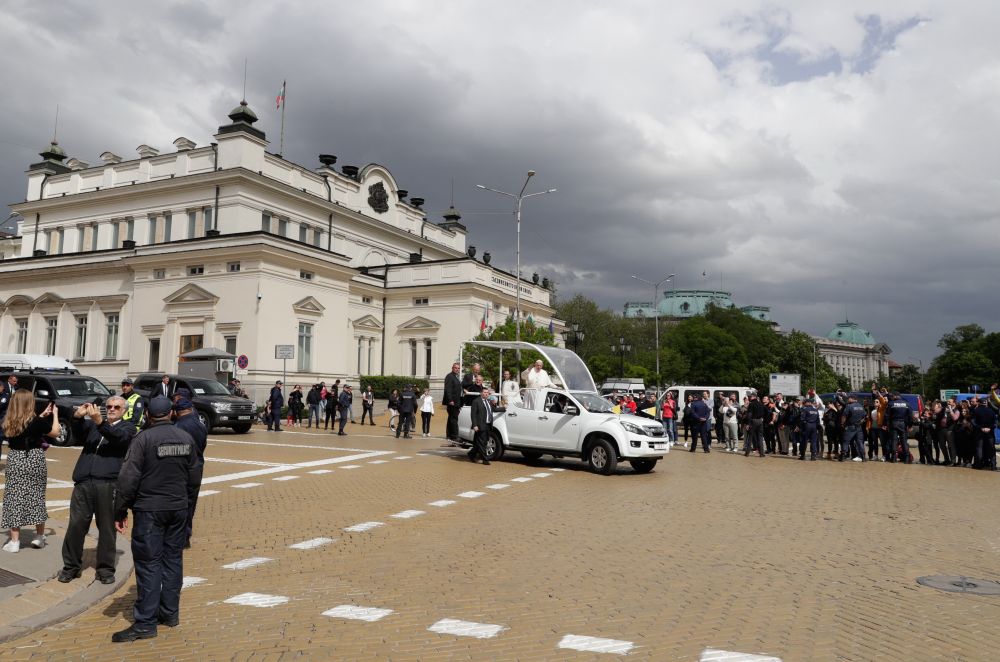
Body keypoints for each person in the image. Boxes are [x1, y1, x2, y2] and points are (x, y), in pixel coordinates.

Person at [112, 396, 201, 642]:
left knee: (149, 564)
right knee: (173, 561)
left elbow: (127, 479)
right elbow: (194, 479)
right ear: (171, 413)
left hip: (150, 511)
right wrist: (187, 509)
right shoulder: (186, 439)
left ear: (149, 416)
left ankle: (145, 623)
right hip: (178, 509)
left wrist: (120, 511)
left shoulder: (143, 439)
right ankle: (170, 614)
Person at [59, 397, 135, 583]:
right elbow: (77, 434)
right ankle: (71, 567)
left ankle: (105, 570)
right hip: (84, 483)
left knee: (107, 529)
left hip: (108, 485)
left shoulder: (128, 428)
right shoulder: (94, 426)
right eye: (108, 406)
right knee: (76, 526)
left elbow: (118, 439)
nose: (111, 409)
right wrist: (77, 417)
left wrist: (100, 423)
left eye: (116, 407)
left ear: (123, 410)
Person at [2, 391, 60, 553]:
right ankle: (39, 537)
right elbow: (55, 432)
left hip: (15, 459)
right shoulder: (37, 422)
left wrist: (42, 415)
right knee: (36, 495)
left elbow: (26, 427)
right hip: (34, 459)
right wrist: (54, 415)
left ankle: (14, 542)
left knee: (14, 497)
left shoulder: (9, 421)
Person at [172, 396, 207, 548]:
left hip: (181, 469)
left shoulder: (178, 427)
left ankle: (178, 536)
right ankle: (186, 534)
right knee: (191, 503)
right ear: (191, 409)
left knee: (179, 503)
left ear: (177, 412)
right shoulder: (200, 424)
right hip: (197, 467)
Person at [469, 386, 494, 465]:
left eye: (487, 393)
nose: (486, 394)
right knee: (482, 443)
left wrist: (504, 408)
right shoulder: (476, 401)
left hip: (488, 425)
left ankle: (471, 454)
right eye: (484, 392)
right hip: (480, 425)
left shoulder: (489, 402)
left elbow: (494, 409)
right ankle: (485, 459)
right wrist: (475, 425)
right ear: (481, 393)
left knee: (479, 443)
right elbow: (473, 414)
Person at [971, 396, 998, 470]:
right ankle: (993, 465)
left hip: (979, 432)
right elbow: (995, 423)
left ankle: (978, 465)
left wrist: (981, 428)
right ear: (985, 403)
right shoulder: (991, 411)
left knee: (979, 448)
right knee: (992, 449)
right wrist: (989, 428)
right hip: (990, 432)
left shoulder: (975, 411)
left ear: (979, 403)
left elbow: (973, 422)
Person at [886, 392, 912, 464]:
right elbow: (910, 416)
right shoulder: (907, 404)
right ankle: (906, 458)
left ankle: (893, 458)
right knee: (904, 441)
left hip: (894, 423)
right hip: (903, 424)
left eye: (893, 396)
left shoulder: (891, 404)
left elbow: (887, 415)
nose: (892, 397)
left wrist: (887, 425)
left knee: (894, 441)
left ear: (895, 396)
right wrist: (910, 426)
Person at [840, 394, 867, 462]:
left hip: (850, 427)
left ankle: (843, 456)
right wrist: (860, 422)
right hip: (859, 427)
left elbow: (844, 416)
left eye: (848, 398)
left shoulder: (849, 406)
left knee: (845, 441)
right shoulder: (861, 406)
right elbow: (865, 417)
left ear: (852, 399)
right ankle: (863, 457)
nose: (848, 400)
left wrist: (842, 424)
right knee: (860, 442)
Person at [443, 362, 463, 442]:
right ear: (452, 368)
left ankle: (449, 435)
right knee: (454, 419)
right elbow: (448, 389)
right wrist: (450, 400)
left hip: (456, 401)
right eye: (456, 368)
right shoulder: (449, 376)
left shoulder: (456, 377)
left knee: (451, 418)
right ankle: (455, 436)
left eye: (458, 368)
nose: (457, 369)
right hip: (452, 402)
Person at [745, 391, 767, 458]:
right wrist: (763, 418)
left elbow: (749, 415)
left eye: (750, 396)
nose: (749, 397)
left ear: (754, 397)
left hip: (753, 421)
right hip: (760, 421)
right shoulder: (761, 404)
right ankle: (762, 453)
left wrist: (748, 424)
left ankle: (747, 453)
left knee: (750, 437)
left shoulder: (751, 404)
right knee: (760, 437)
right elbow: (767, 412)